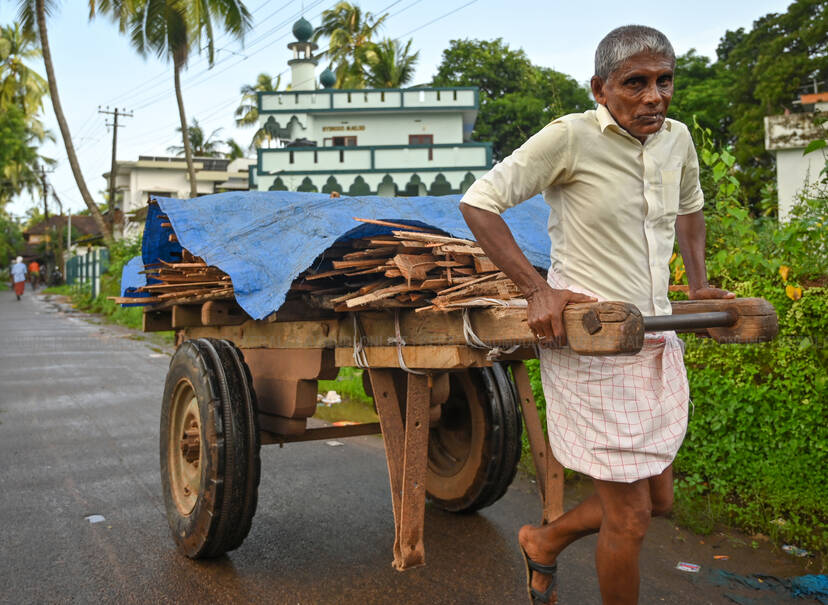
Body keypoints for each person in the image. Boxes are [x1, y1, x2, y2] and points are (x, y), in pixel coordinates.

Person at [459, 25, 734, 605]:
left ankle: (543, 540)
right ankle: (547, 542)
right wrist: (536, 290)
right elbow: (479, 202)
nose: (654, 97)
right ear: (600, 88)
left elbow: (690, 212)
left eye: (664, 82)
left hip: (654, 337)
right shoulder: (570, 138)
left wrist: (701, 284)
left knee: (658, 504)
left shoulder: (677, 139)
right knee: (630, 517)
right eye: (635, 83)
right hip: (590, 339)